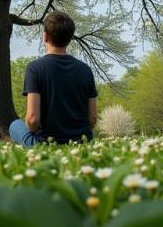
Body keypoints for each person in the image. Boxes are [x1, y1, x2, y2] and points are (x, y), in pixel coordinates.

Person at [9, 10, 98, 146]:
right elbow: (92, 119)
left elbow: (33, 120)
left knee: (15, 125)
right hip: (81, 142)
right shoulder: (86, 70)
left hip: (46, 144)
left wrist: (32, 129)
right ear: (70, 38)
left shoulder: (35, 68)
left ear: (45, 36)